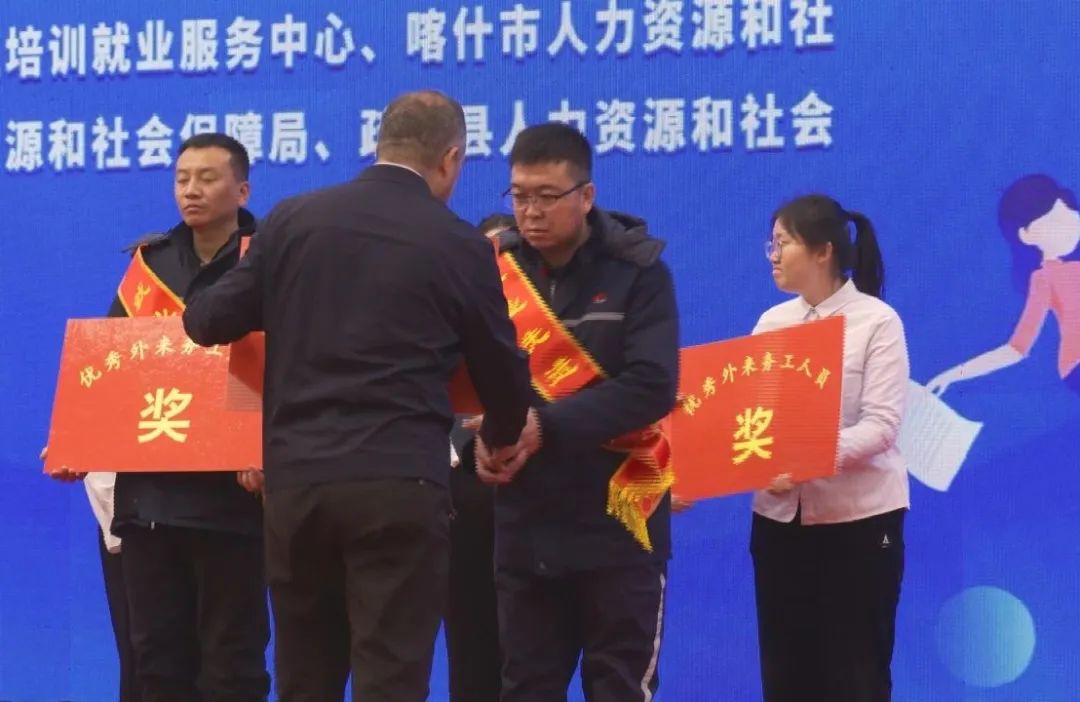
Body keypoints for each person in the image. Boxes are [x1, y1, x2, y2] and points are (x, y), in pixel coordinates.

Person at [181, 90, 534, 702]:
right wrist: (502, 438)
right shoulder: (458, 244)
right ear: (451, 159)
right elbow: (501, 368)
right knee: (390, 678)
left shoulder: (292, 220)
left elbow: (206, 320)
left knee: (305, 679)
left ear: (379, 144)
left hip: (298, 486)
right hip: (398, 485)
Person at [48, 133, 270, 701]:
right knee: (157, 661)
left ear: (242, 190)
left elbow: (286, 362)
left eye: (207, 178)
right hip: (152, 499)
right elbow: (113, 364)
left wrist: (265, 447)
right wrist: (77, 439)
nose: (191, 190)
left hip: (234, 499)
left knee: (233, 661)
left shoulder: (268, 258)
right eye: (182, 178)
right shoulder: (150, 263)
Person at [473, 123, 680, 702]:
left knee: (619, 688)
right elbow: (455, 378)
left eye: (547, 196)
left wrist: (545, 426)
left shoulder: (639, 272)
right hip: (525, 528)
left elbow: (651, 386)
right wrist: (475, 443)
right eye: (519, 196)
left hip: (618, 524)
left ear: (586, 196)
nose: (530, 212)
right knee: (525, 688)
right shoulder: (492, 270)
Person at [751, 194, 909, 702]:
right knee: (786, 673)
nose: (773, 255)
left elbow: (881, 426)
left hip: (859, 522)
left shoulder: (877, 321)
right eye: (771, 244)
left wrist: (806, 456)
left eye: (783, 243)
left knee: (855, 672)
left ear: (823, 251)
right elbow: (749, 421)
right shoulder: (771, 323)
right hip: (779, 522)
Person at [444, 212, 517, 702]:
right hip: (459, 499)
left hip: (530, 496)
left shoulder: (555, 340)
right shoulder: (446, 321)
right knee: (469, 649)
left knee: (530, 656)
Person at [927, 174, 1080, 395]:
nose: (1070, 225)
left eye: (1070, 214)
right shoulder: (1044, 279)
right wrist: (954, 374)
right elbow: (1016, 348)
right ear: (1026, 235)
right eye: (1055, 221)